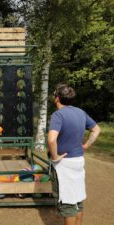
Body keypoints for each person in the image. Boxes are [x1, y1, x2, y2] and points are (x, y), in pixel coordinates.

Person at [48, 83, 101, 225]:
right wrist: (86, 145)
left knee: (67, 202)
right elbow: (96, 129)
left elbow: (52, 140)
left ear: (57, 98)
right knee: (77, 200)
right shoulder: (80, 112)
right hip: (78, 161)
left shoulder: (58, 115)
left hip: (64, 165)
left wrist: (55, 157)